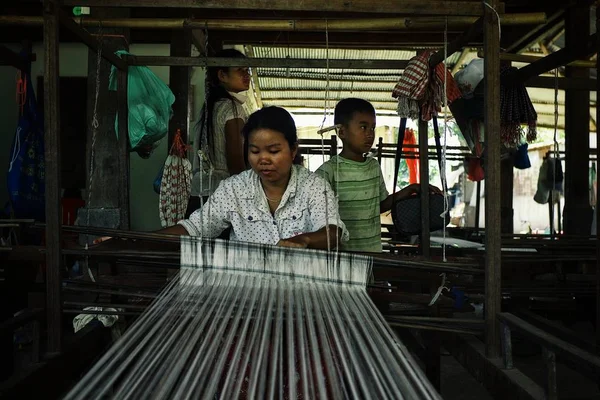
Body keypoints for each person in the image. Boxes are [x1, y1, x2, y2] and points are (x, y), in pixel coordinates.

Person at [162, 106, 348, 249]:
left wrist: (304, 239)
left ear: (293, 150)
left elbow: (332, 232)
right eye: (255, 151)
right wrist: (141, 240)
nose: (263, 159)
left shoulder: (313, 187)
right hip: (247, 286)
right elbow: (195, 228)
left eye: (274, 151)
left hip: (299, 285)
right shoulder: (234, 189)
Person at [316, 98, 440, 253]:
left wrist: (410, 189)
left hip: (373, 253)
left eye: (373, 128)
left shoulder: (373, 166)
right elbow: (318, 216)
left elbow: (379, 206)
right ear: (342, 132)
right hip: (341, 257)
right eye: (363, 127)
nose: (370, 134)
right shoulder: (328, 172)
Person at [188, 49, 250, 217]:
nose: (247, 75)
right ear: (222, 75)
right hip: (221, 194)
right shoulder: (231, 107)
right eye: (240, 71)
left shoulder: (209, 107)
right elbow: (235, 161)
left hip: (198, 192)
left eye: (248, 70)